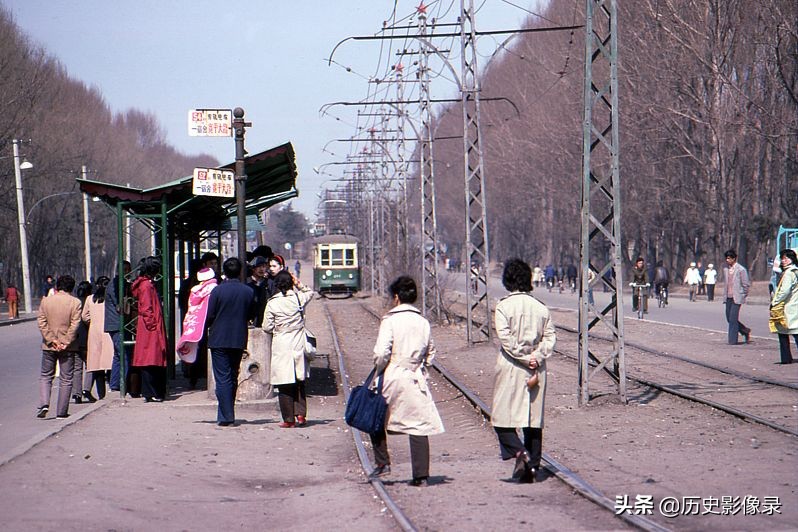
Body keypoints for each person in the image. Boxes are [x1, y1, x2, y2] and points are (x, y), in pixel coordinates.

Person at [367, 276, 444, 486]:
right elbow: (431, 351)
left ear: (396, 298)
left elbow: (382, 353)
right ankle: (421, 476)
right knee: (418, 425)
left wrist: (380, 368)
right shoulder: (423, 322)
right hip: (415, 376)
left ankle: (383, 463)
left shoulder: (389, 320)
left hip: (392, 374)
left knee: (375, 417)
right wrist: (422, 368)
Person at [492, 259, 556, 483]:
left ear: (507, 280)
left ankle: (520, 453)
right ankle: (533, 467)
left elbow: (506, 339)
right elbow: (550, 338)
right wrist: (536, 357)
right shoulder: (541, 307)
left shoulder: (503, 306)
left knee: (501, 419)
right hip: (537, 369)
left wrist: (523, 357)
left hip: (512, 366)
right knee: (533, 419)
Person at [206, 257, 256, 426]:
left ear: (224, 272)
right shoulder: (248, 291)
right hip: (238, 338)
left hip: (219, 338)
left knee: (222, 378)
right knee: (233, 375)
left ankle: (226, 416)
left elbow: (210, 315)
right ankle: (227, 412)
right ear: (240, 271)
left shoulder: (217, 291)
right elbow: (251, 314)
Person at [263, 270, 314, 428]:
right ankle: (301, 415)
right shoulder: (299, 298)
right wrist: (298, 283)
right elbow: (310, 291)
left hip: (281, 344)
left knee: (284, 382)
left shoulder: (272, 303)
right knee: (299, 380)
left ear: (277, 285)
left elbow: (267, 326)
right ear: (291, 283)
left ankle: (288, 419)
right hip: (298, 342)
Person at [36, 275, 82, 419]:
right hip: (68, 347)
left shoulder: (46, 301)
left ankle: (44, 403)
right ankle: (61, 412)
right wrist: (65, 341)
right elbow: (75, 324)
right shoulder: (75, 302)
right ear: (72, 288)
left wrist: (51, 340)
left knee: (46, 376)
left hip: (49, 346)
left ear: (57, 287)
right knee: (66, 378)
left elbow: (41, 322)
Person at [131, 256, 167, 402]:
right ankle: (151, 392)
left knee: (150, 358)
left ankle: (151, 392)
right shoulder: (146, 286)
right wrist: (154, 325)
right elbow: (147, 308)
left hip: (149, 326)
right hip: (150, 327)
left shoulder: (145, 284)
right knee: (151, 358)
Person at [81, 276, 114, 401]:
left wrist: (92, 322)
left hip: (94, 333)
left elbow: (84, 316)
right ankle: (112, 389)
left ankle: (101, 395)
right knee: (110, 363)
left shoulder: (90, 299)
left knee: (97, 366)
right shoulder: (109, 298)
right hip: (108, 331)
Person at [107, 261, 133, 394]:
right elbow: (120, 306)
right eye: (127, 270)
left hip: (115, 325)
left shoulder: (116, 283)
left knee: (118, 355)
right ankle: (123, 384)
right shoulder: (117, 285)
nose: (129, 272)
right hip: (118, 325)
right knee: (124, 355)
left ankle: (115, 384)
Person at [770, 249, 797, 364]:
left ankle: (786, 358)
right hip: (794, 306)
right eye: (782, 258)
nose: (783, 261)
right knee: (795, 332)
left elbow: (784, 291)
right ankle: (786, 358)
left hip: (787, 307)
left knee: (784, 333)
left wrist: (775, 302)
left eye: (786, 258)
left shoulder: (789, 273)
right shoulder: (795, 271)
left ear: (792, 259)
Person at [723, 249, 752, 345]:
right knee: (729, 318)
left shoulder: (741, 269)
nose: (727, 260)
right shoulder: (726, 269)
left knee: (733, 318)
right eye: (726, 258)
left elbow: (746, 284)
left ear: (734, 258)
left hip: (737, 297)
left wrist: (743, 295)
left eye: (729, 258)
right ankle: (745, 330)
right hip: (728, 297)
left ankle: (732, 340)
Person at [71, 280, 93, 404]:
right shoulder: (90, 301)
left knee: (77, 367)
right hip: (87, 338)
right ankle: (87, 389)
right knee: (89, 365)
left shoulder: (74, 302)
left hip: (75, 338)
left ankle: (76, 394)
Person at [247, 256, 269, 328]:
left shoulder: (268, 283)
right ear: (253, 268)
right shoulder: (247, 283)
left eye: (263, 266)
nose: (261, 269)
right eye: (258, 266)